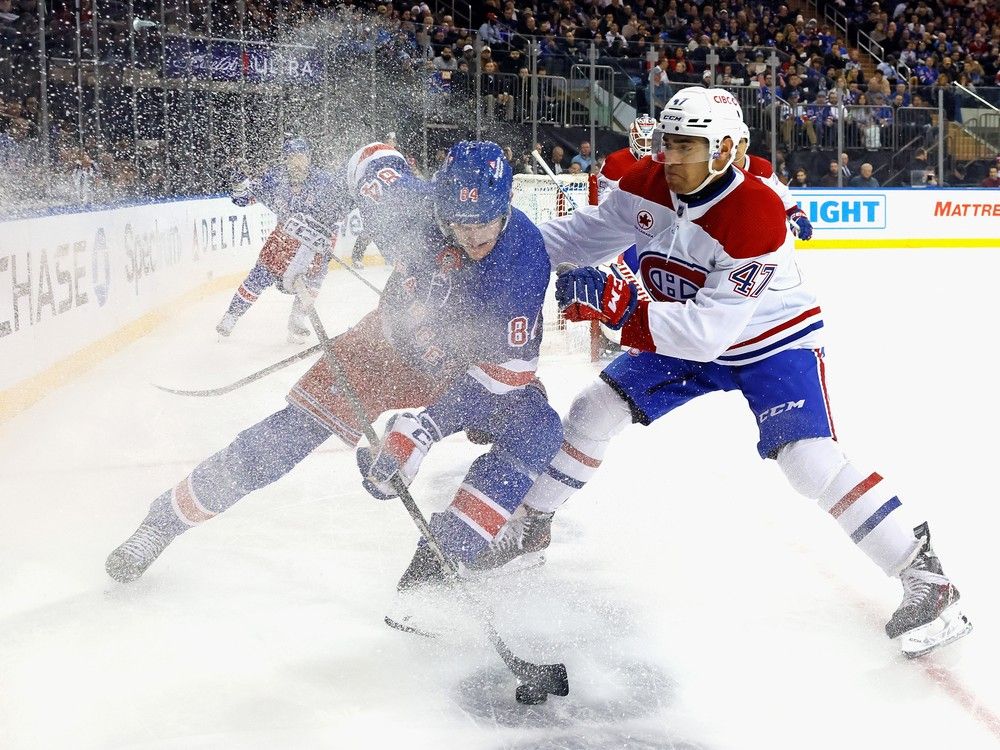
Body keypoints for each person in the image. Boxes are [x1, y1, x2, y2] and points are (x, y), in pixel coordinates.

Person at [471, 87, 971, 659]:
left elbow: (711, 333)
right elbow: (577, 238)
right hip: (683, 324)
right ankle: (532, 524)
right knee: (593, 409)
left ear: (727, 149)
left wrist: (620, 309)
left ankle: (924, 576)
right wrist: (497, 243)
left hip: (769, 340)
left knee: (808, 461)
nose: (673, 157)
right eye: (669, 142)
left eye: (689, 145)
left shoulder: (755, 213)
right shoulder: (649, 183)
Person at [105, 142, 564, 605]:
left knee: (537, 426)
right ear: (437, 205)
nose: (473, 236)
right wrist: (304, 240)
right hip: (383, 346)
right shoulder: (405, 204)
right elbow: (367, 158)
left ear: (507, 204)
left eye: (485, 220)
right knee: (287, 436)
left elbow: (505, 374)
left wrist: (423, 431)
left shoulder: (523, 259)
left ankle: (447, 555)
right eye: (459, 223)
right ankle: (163, 521)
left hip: (468, 371)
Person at [218, 137, 341, 344]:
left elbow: (339, 211)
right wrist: (239, 186)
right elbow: (243, 199)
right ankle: (231, 316)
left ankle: (297, 320)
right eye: (292, 157)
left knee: (314, 278)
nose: (297, 162)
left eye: (301, 156)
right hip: (283, 240)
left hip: (314, 243)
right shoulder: (273, 178)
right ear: (285, 159)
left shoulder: (323, 181)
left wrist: (329, 241)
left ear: (309, 158)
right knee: (259, 275)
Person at [596, 114, 656, 203]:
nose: (645, 145)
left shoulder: (665, 161)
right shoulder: (614, 160)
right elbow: (601, 195)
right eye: (641, 140)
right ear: (633, 137)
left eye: (649, 140)